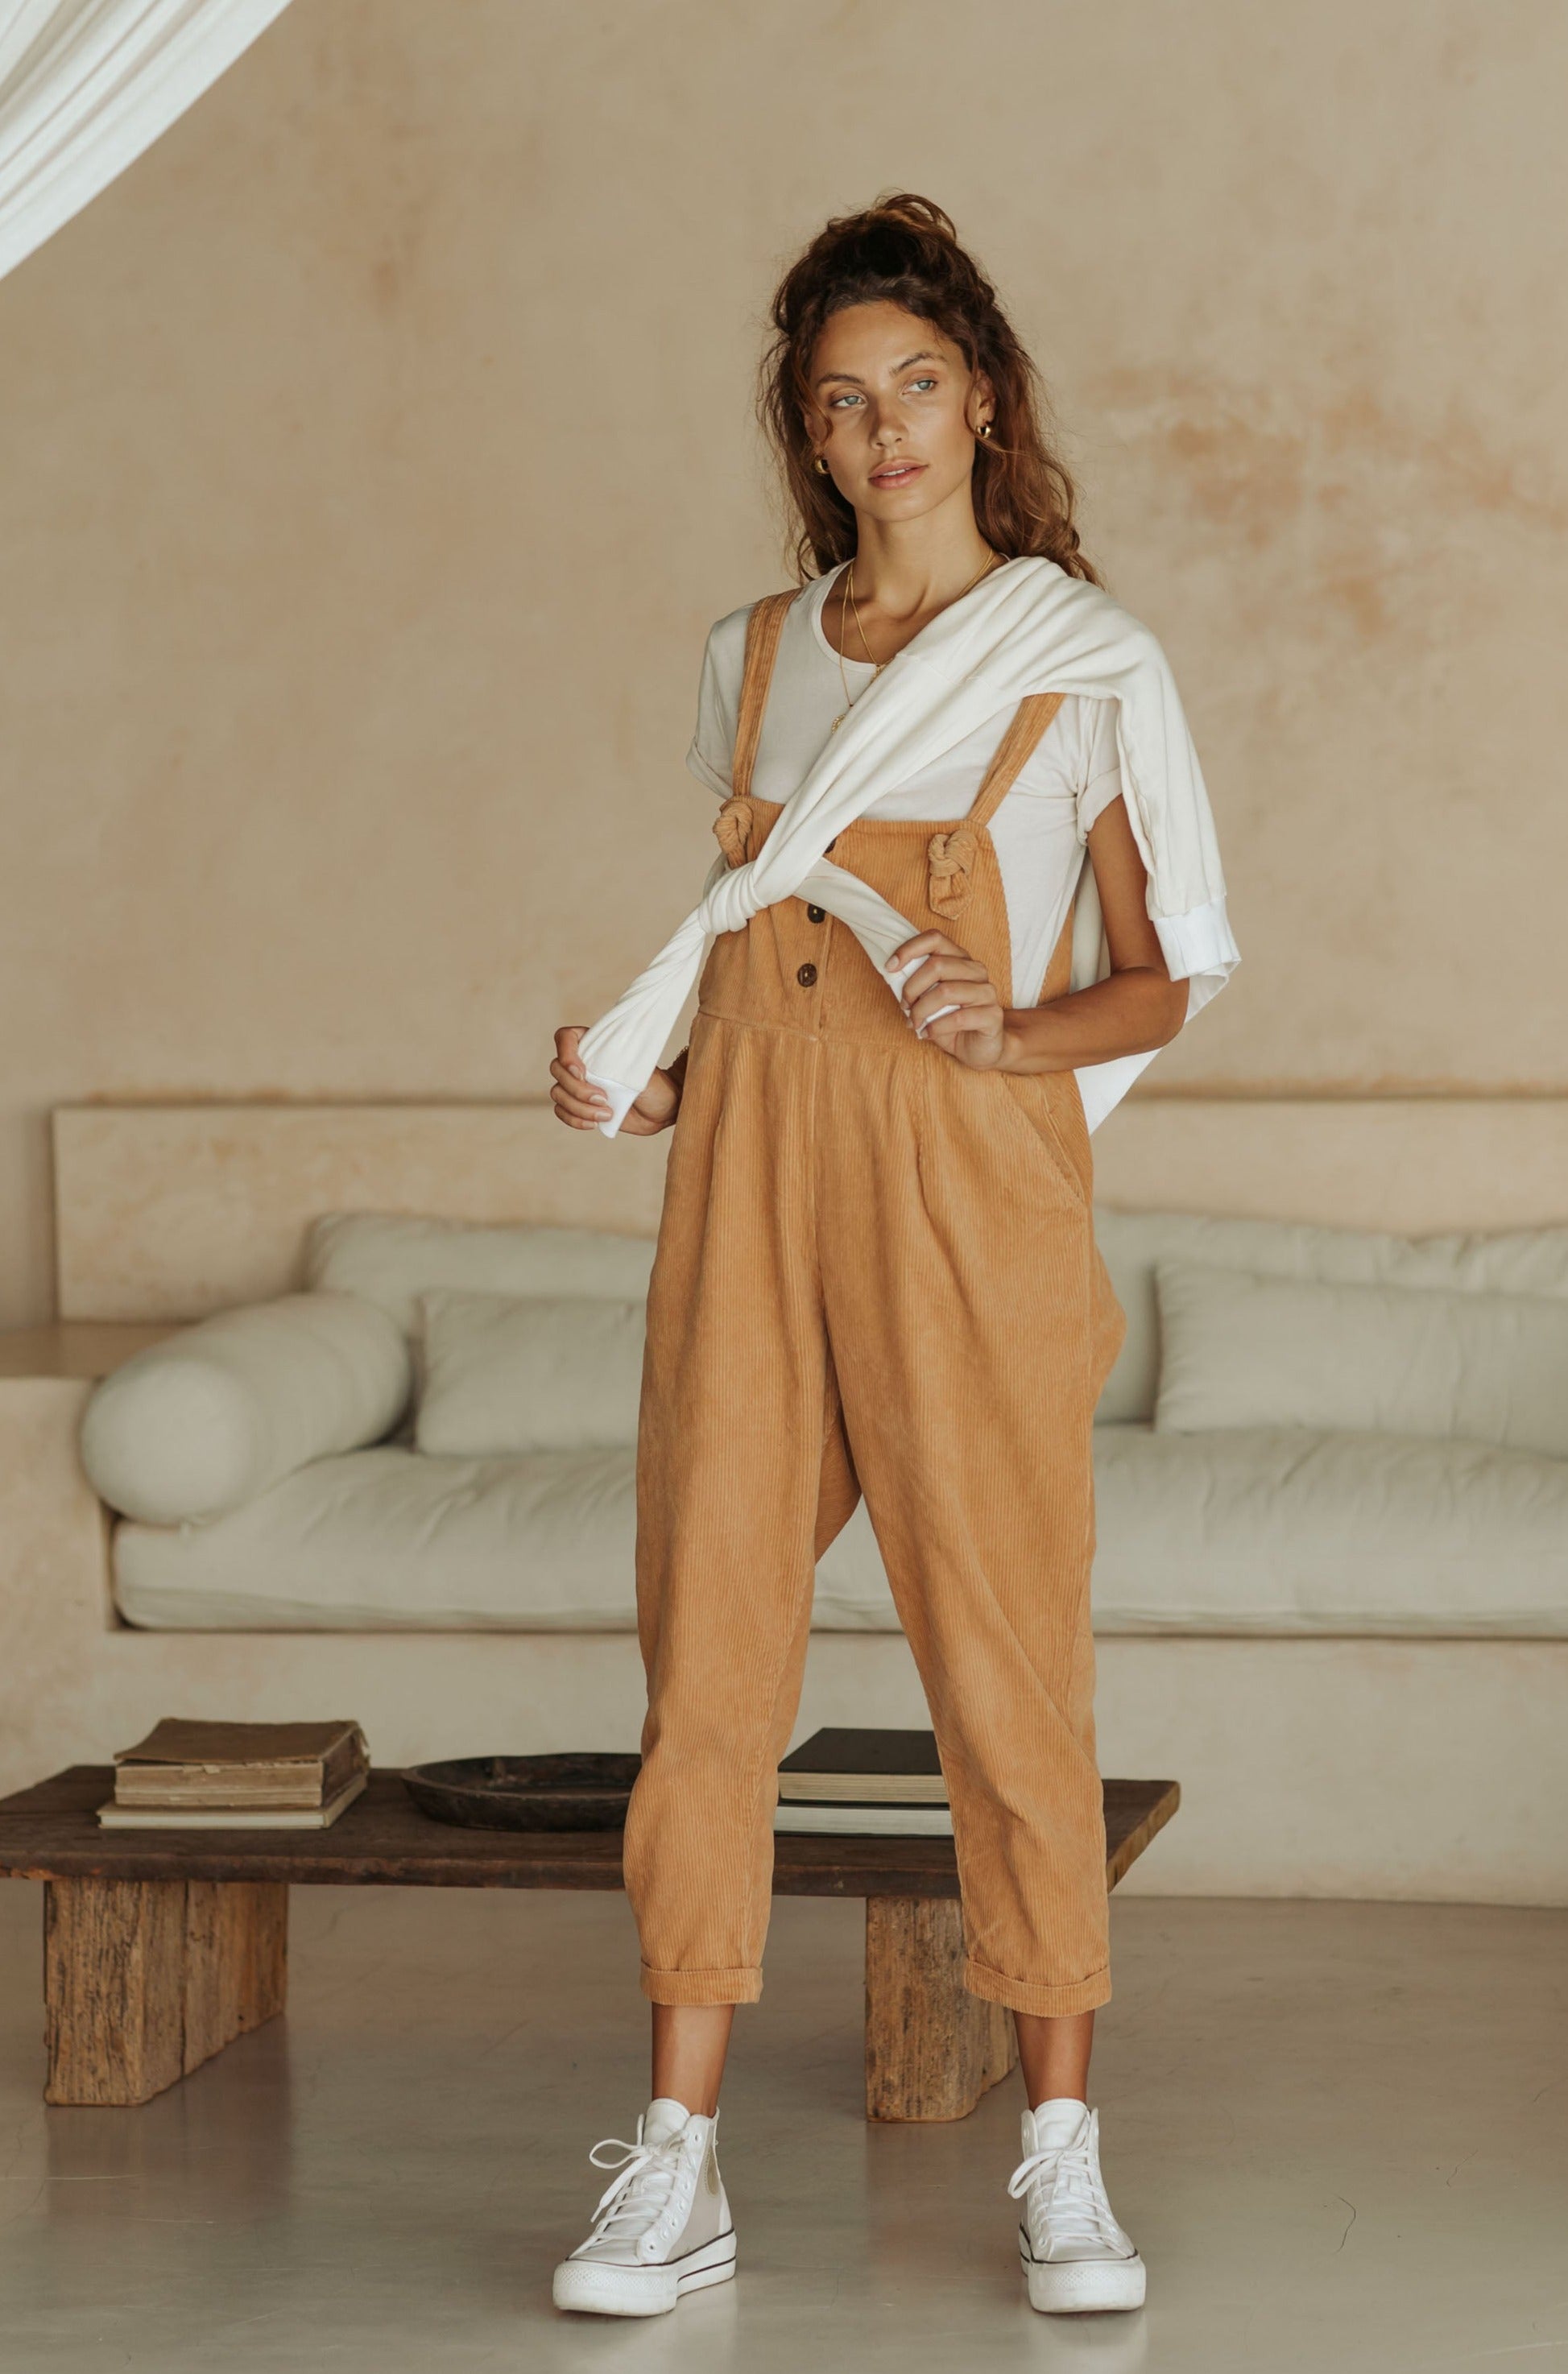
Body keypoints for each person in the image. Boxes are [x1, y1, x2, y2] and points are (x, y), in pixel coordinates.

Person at [547, 192, 1234, 2321]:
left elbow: (1167, 970)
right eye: (842, 403)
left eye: (915, 384)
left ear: (983, 398)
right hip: (748, 1174)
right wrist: (647, 1075)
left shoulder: (1086, 658)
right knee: (709, 1665)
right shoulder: (747, 661)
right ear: (815, 439)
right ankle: (672, 2161)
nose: (883, 428)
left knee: (1008, 1669)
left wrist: (1010, 1031)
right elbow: (757, 949)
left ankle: (1058, 2151)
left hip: (970, 1188)